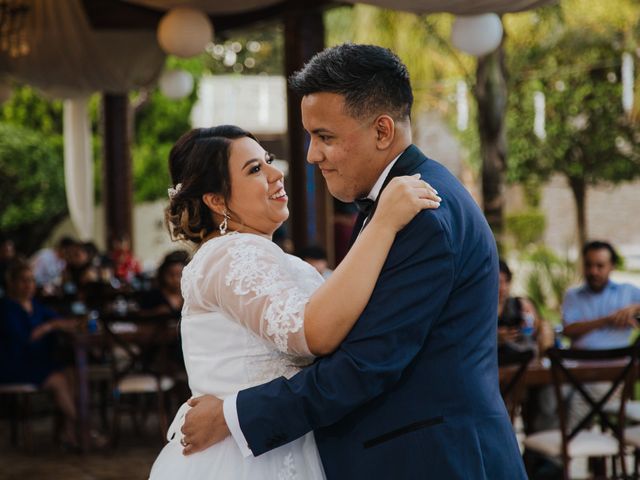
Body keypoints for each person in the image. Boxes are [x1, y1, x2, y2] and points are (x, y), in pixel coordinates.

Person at [178, 44, 526, 479]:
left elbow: (366, 364)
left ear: (382, 131)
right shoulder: (396, 204)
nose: (310, 156)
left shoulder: (423, 215)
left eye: (325, 137)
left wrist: (235, 417)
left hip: (435, 460)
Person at [148, 123, 439, 478]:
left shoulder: (254, 254)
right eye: (255, 169)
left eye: (268, 160)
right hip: (251, 459)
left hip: (275, 439)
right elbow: (311, 333)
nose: (275, 173)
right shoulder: (234, 253)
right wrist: (383, 223)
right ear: (217, 200)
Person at [0, 258, 78, 446]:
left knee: (70, 373)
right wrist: (47, 328)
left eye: (32, 280)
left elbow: (66, 322)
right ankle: (82, 426)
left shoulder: (36, 306)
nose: (29, 285)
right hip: (14, 365)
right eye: (23, 280)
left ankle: (69, 430)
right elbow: (26, 338)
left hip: (38, 362)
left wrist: (52, 325)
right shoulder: (6, 308)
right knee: (58, 380)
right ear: (12, 283)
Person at [562, 240, 640, 348]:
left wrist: (635, 308)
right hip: (580, 360)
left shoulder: (627, 291)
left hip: (622, 360)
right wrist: (608, 320)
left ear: (612, 266)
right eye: (588, 265)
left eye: (600, 266)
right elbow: (568, 331)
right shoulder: (573, 295)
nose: (593, 271)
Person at [138, 251, 188, 317]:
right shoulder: (152, 296)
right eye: (171, 275)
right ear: (162, 274)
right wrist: (154, 313)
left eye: (179, 275)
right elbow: (139, 316)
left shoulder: (190, 296)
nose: (175, 279)